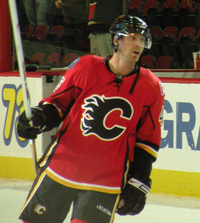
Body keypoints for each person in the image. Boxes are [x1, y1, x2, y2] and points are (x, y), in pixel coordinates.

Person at [17, 15, 165, 223]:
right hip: (61, 169)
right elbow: (57, 105)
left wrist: (139, 178)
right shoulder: (85, 67)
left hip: (106, 181)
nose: (138, 44)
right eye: (132, 37)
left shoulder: (151, 86)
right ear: (115, 40)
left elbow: (148, 139)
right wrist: (38, 119)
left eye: (142, 39)